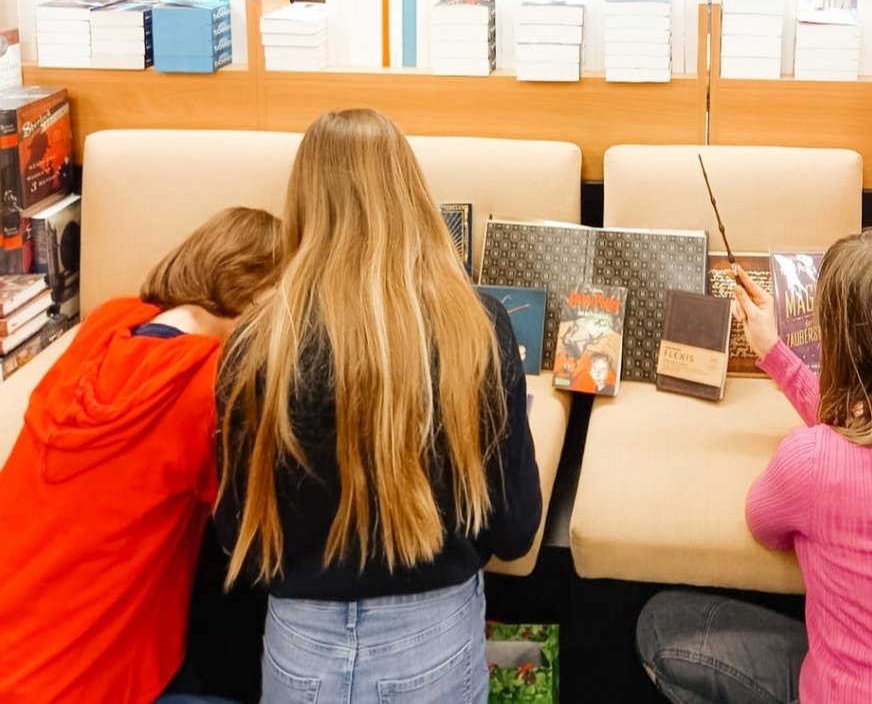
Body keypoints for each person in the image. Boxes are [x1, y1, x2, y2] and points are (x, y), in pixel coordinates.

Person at [215, 109, 542, 704]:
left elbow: (237, 530)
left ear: (304, 203)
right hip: (435, 639)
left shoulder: (256, 341)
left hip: (298, 650)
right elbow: (517, 529)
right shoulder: (480, 327)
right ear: (412, 195)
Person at [636, 228, 872, 704]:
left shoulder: (813, 463)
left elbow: (763, 522)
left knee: (659, 625)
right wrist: (774, 353)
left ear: (845, 352)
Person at [0, 207, 283, 704]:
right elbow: (266, 533)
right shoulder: (209, 388)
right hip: (81, 686)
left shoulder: (106, 325)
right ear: (256, 291)